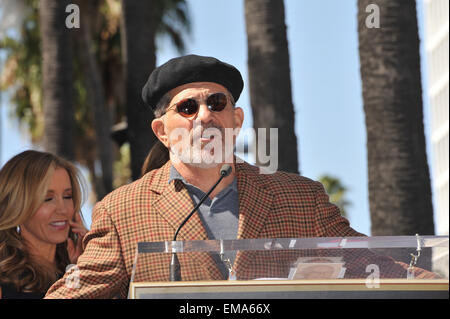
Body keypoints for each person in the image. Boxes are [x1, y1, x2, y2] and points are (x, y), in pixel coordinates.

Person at [45, 55, 431, 299]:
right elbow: (75, 293)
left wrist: (435, 280)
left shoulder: (301, 198)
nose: (205, 116)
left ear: (236, 120)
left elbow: (376, 265)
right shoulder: (122, 210)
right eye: (187, 107)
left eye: (216, 103)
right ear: (162, 131)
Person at [0, 150, 87, 299]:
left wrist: (90, 265)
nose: (62, 209)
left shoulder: (76, 268)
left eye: (67, 196)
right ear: (17, 205)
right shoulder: (5, 282)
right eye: (47, 199)